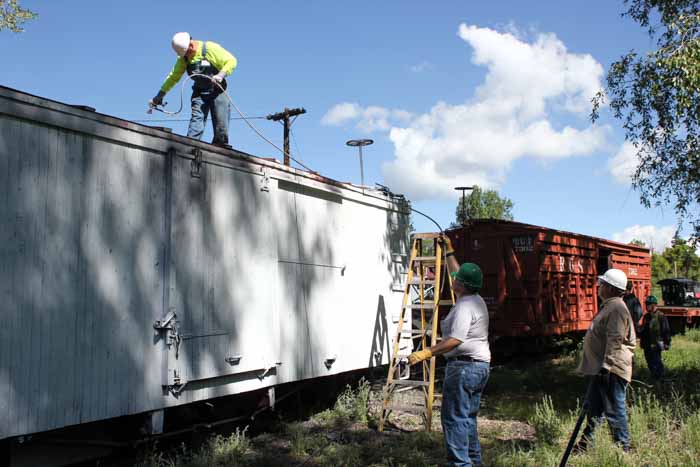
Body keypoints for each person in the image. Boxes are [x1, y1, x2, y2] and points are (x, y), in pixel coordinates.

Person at [408, 236, 490, 467]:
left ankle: (460, 464)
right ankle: (474, 462)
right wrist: (449, 251)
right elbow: (457, 273)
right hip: (479, 367)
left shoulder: (464, 307)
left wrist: (425, 353)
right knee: (467, 419)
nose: (452, 279)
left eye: (457, 279)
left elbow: (455, 340)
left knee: (453, 419)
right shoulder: (475, 299)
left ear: (461, 285)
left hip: (464, 368)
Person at [574, 268, 636, 453]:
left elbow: (615, 339)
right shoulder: (610, 306)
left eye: (602, 284)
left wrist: (606, 366)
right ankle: (586, 445)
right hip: (601, 369)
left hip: (611, 370)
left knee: (614, 409)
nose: (598, 287)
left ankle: (623, 448)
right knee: (594, 408)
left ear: (610, 288)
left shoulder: (616, 308)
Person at [150, 32, 237, 147]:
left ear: (191, 45)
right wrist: (160, 95)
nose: (188, 56)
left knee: (221, 124)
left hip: (217, 91)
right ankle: (190, 145)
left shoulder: (209, 48)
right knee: (197, 120)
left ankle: (220, 147)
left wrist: (221, 75)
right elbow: (173, 76)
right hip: (200, 92)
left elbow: (231, 61)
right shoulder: (183, 58)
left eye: (188, 53)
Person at [638, 295, 671, 380]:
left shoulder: (661, 316)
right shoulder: (646, 316)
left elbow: (665, 330)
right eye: (646, 304)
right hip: (647, 344)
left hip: (656, 344)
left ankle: (660, 378)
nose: (646, 306)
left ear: (653, 305)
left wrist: (667, 343)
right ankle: (654, 378)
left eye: (648, 304)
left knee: (657, 362)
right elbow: (644, 330)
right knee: (650, 363)